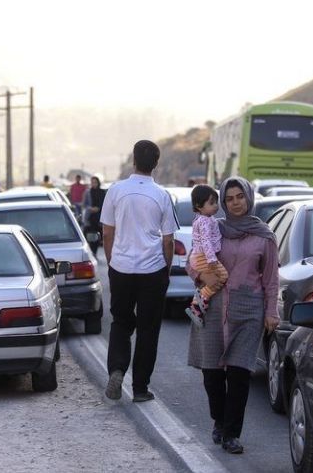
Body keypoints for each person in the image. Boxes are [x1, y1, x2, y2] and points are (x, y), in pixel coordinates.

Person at [187, 176, 279, 454]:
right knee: (211, 373)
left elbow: (271, 278)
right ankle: (219, 419)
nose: (236, 202)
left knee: (239, 374)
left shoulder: (264, 235)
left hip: (249, 309)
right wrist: (203, 277)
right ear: (223, 202)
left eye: (240, 196)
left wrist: (271, 310)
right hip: (214, 305)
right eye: (229, 198)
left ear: (249, 198)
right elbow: (193, 261)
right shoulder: (213, 229)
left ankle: (231, 434)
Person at [101, 140, 177, 403]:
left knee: (121, 323)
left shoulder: (116, 191)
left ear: (133, 159)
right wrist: (166, 270)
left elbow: (107, 232)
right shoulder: (162, 195)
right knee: (148, 330)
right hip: (152, 270)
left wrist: (112, 261)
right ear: (156, 164)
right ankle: (141, 388)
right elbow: (168, 240)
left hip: (121, 268)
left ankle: (117, 369)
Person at [185, 184, 229, 327]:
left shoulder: (207, 219)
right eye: (211, 203)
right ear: (198, 205)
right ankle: (198, 303)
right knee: (222, 276)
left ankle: (198, 299)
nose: (216, 206)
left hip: (201, 256)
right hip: (203, 257)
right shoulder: (204, 221)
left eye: (216, 202)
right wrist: (211, 259)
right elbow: (206, 241)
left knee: (215, 278)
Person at [82, 176, 106, 255]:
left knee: (97, 236)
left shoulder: (102, 192)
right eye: (92, 182)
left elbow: (105, 204)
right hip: (90, 217)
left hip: (99, 217)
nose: (93, 184)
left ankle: (95, 251)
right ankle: (92, 252)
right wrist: (91, 208)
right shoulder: (88, 192)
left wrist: (98, 208)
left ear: (98, 183)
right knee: (90, 236)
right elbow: (84, 204)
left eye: (95, 182)